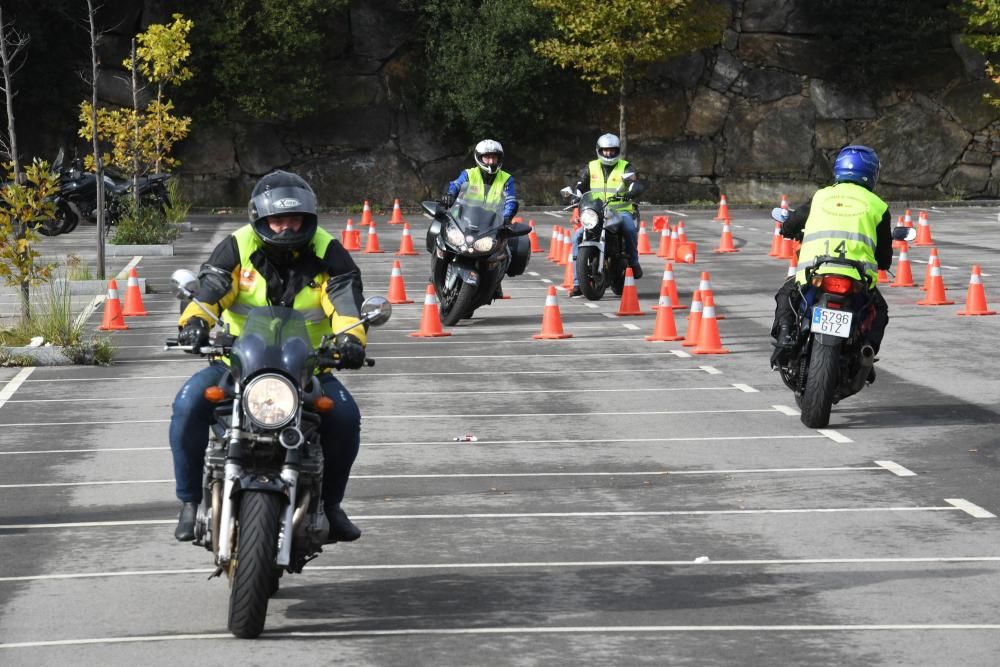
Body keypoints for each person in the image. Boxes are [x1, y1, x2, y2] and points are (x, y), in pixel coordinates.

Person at [169, 170, 368, 543]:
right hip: (237, 367)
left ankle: (330, 505)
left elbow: (345, 301)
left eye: (294, 220)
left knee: (345, 416)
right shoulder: (237, 246)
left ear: (308, 219)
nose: (286, 228)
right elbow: (211, 288)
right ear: (260, 220)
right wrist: (194, 322)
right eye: (277, 220)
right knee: (188, 403)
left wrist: (352, 340)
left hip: (309, 369)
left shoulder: (328, 252)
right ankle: (189, 503)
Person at [770, 145, 893, 378]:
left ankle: (786, 336)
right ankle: (867, 352)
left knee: (787, 294)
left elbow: (791, 225)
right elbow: (885, 256)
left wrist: (787, 228)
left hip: (815, 273)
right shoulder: (878, 206)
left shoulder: (821, 196)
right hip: (856, 278)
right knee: (879, 310)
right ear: (872, 173)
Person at [440, 138, 519, 297]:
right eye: (487, 157)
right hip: (465, 218)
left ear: (499, 159)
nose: (490, 161)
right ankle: (439, 268)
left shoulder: (506, 179)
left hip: (492, 224)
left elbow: (511, 200)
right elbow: (456, 185)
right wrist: (449, 195)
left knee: (507, 254)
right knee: (441, 235)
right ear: (479, 158)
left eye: (494, 157)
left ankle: (495, 284)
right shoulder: (469, 174)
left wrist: (506, 217)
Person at [569, 133, 643, 297]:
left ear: (617, 150)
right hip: (596, 210)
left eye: (612, 150)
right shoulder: (591, 167)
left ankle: (634, 261)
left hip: (621, 210)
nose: (608, 154)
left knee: (630, 228)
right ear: (599, 150)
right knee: (577, 237)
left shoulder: (625, 167)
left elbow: (634, 183)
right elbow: (580, 186)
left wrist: (632, 191)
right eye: (605, 150)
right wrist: (575, 200)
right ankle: (577, 283)